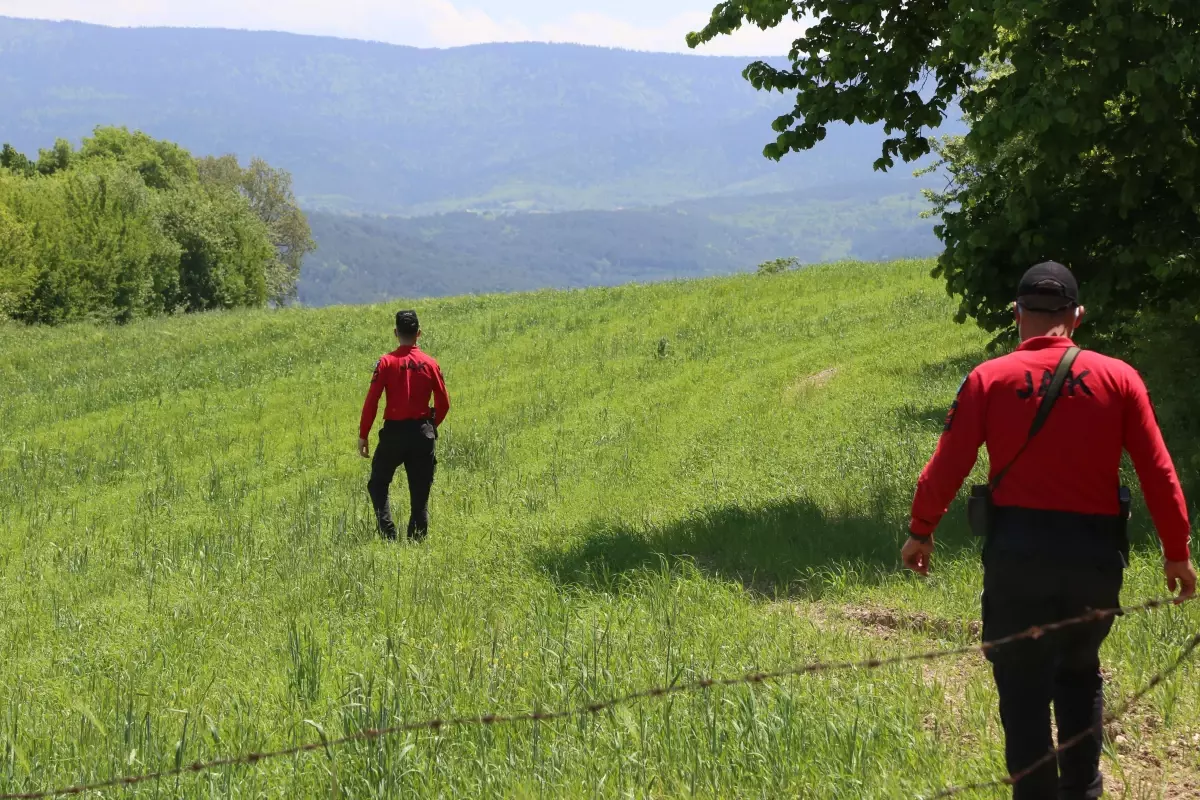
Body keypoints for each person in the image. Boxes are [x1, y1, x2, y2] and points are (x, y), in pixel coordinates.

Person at [901, 262, 1196, 800]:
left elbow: (948, 465)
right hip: (1095, 555)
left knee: (1021, 685)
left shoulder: (989, 379)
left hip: (1018, 555)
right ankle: (1082, 791)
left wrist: (922, 530)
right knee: (1080, 674)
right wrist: (1176, 552)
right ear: (1076, 317)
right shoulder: (1119, 378)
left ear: (1018, 316)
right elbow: (1158, 472)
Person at [359, 310, 450, 541]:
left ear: (396, 333)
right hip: (422, 433)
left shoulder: (386, 363)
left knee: (378, 483)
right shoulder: (430, 363)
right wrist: (430, 425)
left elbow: (372, 400)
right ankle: (416, 541)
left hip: (394, 434)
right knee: (420, 495)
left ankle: (388, 533)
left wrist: (364, 434)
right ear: (418, 334)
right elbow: (444, 403)